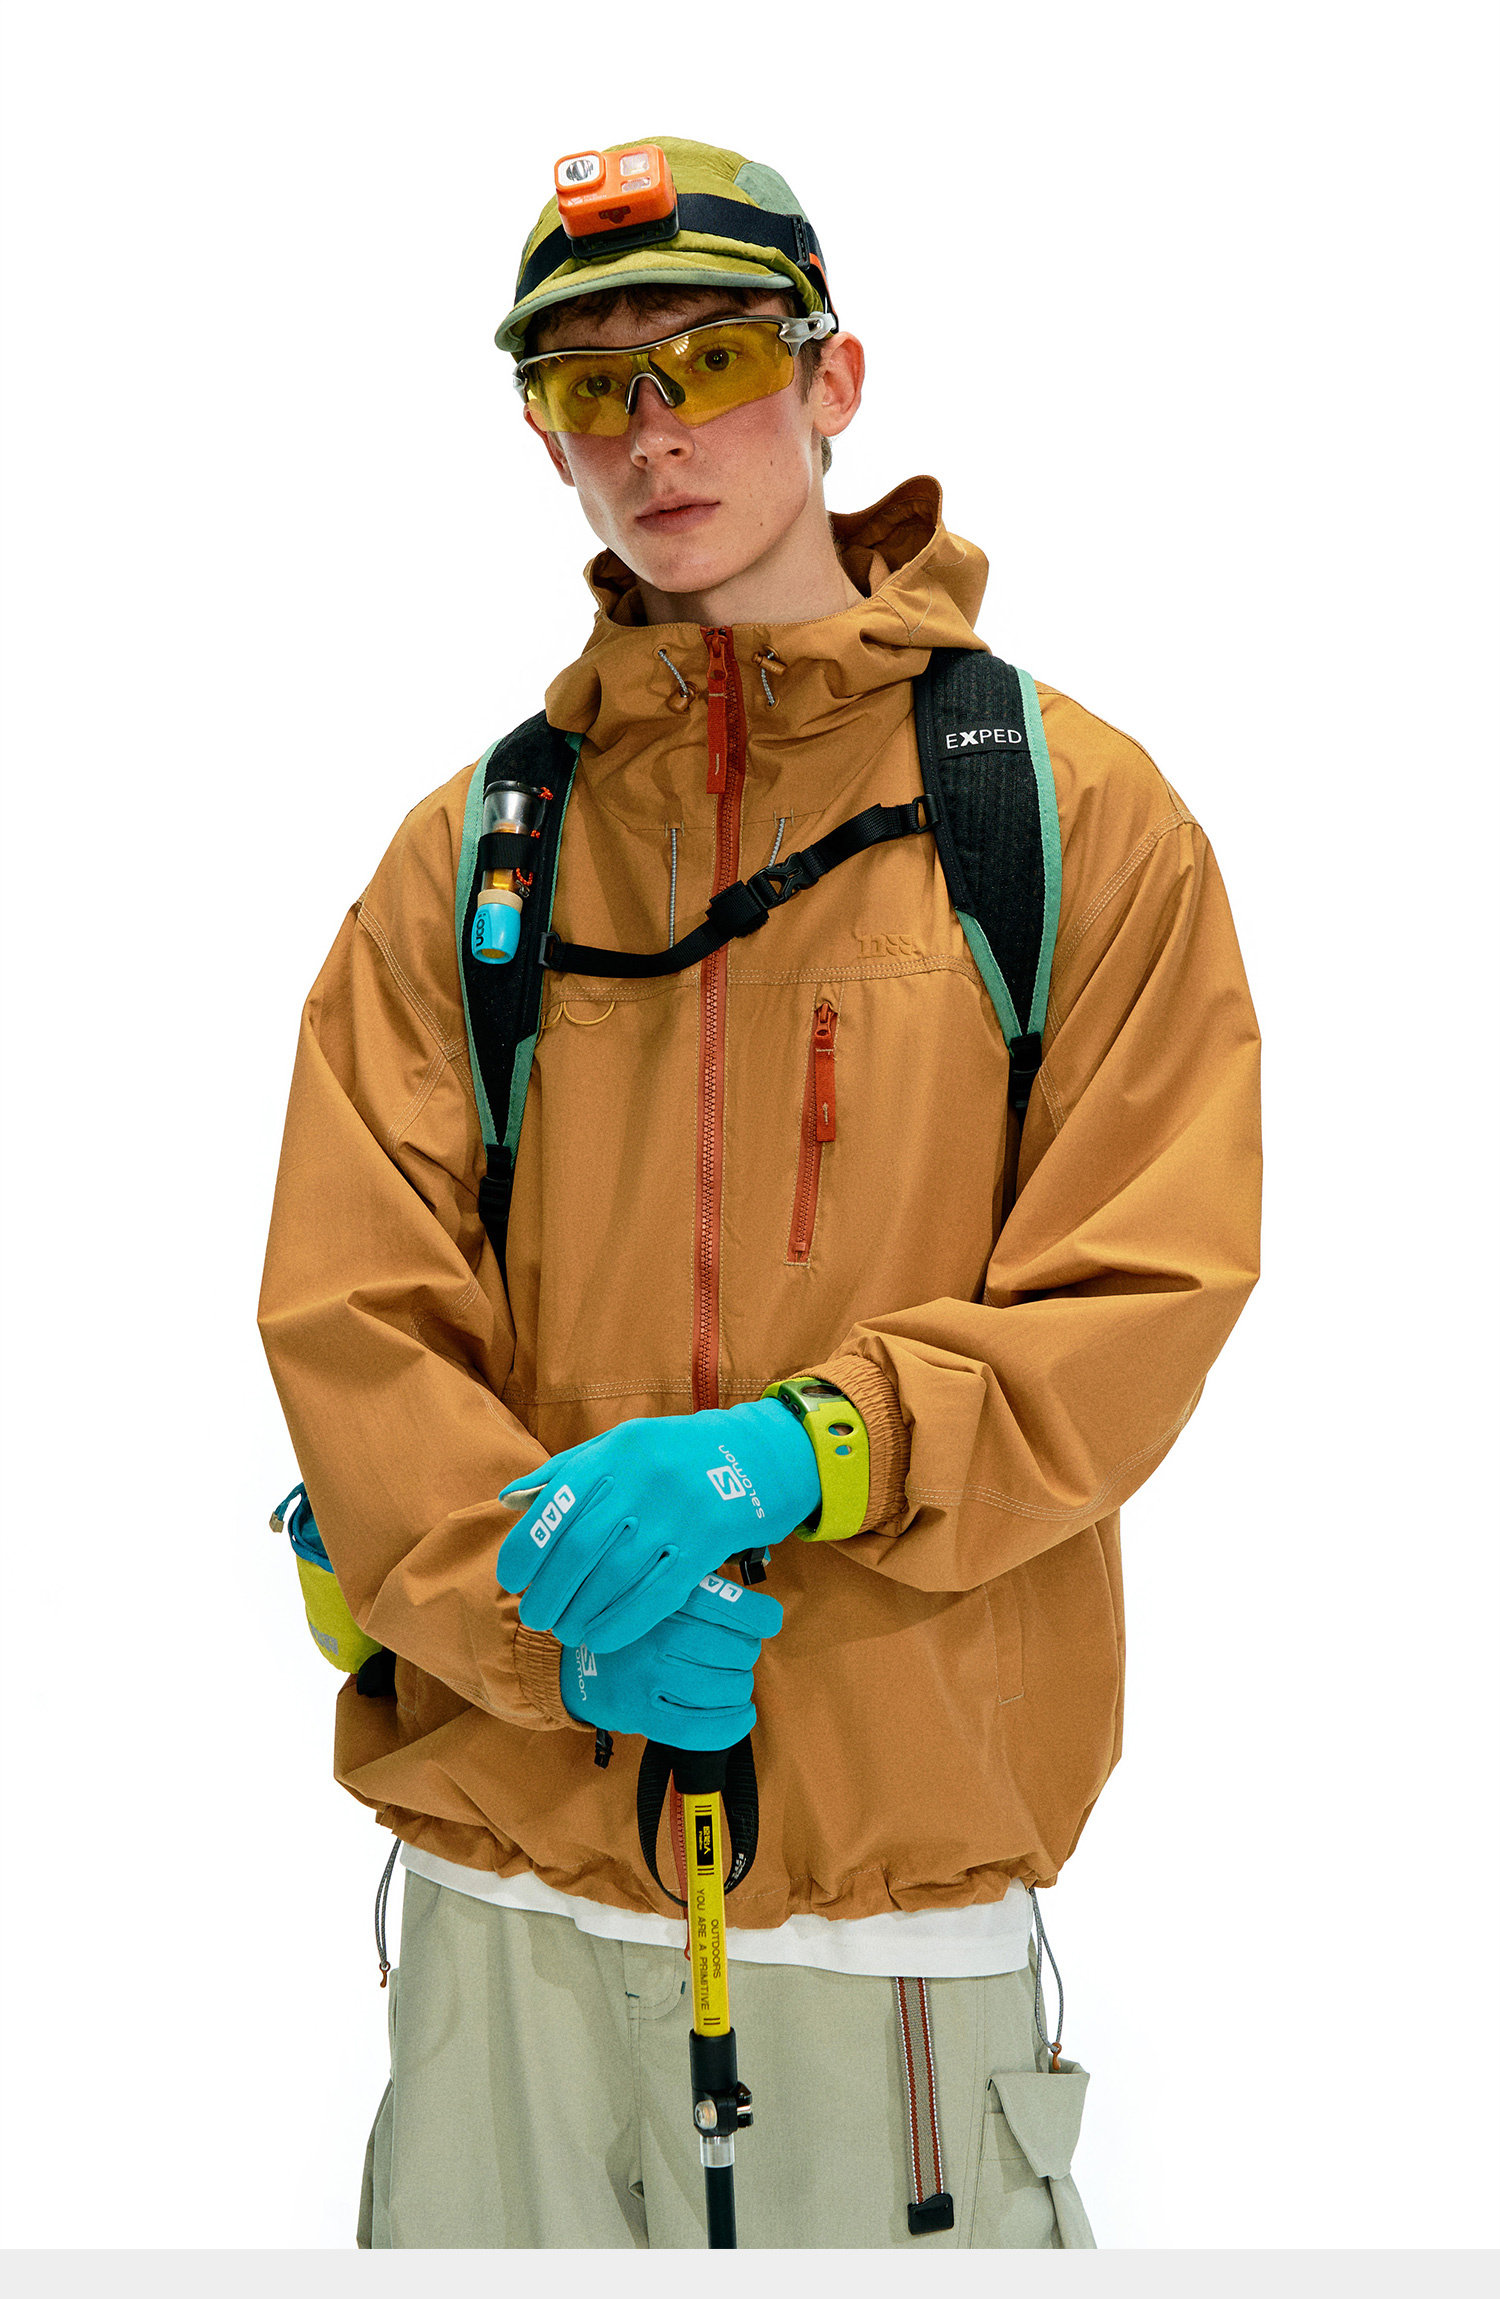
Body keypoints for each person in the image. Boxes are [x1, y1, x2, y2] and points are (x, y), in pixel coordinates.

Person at [258, 134, 1261, 2251]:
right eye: (585, 385)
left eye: (706, 359)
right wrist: (537, 1628)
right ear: (544, 436)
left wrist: (803, 1450)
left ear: (832, 378)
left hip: (880, 1946)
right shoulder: (473, 859)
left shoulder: (1064, 818)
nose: (652, 434)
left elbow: (1145, 1285)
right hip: (500, 1930)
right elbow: (353, 1315)